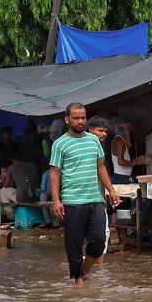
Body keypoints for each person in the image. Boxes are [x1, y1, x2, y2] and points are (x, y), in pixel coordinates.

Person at [50, 103, 119, 285]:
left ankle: (84, 271)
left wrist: (111, 190)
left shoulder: (94, 140)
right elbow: (54, 173)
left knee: (99, 240)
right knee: (74, 245)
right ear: (67, 119)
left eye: (83, 118)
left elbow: (100, 167)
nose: (80, 121)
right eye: (76, 118)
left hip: (95, 199)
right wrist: (56, 201)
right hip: (72, 201)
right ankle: (77, 281)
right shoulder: (59, 144)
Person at [109, 119, 145, 184]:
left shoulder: (121, 140)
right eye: (129, 128)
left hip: (123, 177)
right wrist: (135, 162)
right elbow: (121, 162)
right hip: (120, 178)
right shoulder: (119, 141)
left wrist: (137, 161)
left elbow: (128, 146)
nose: (131, 130)